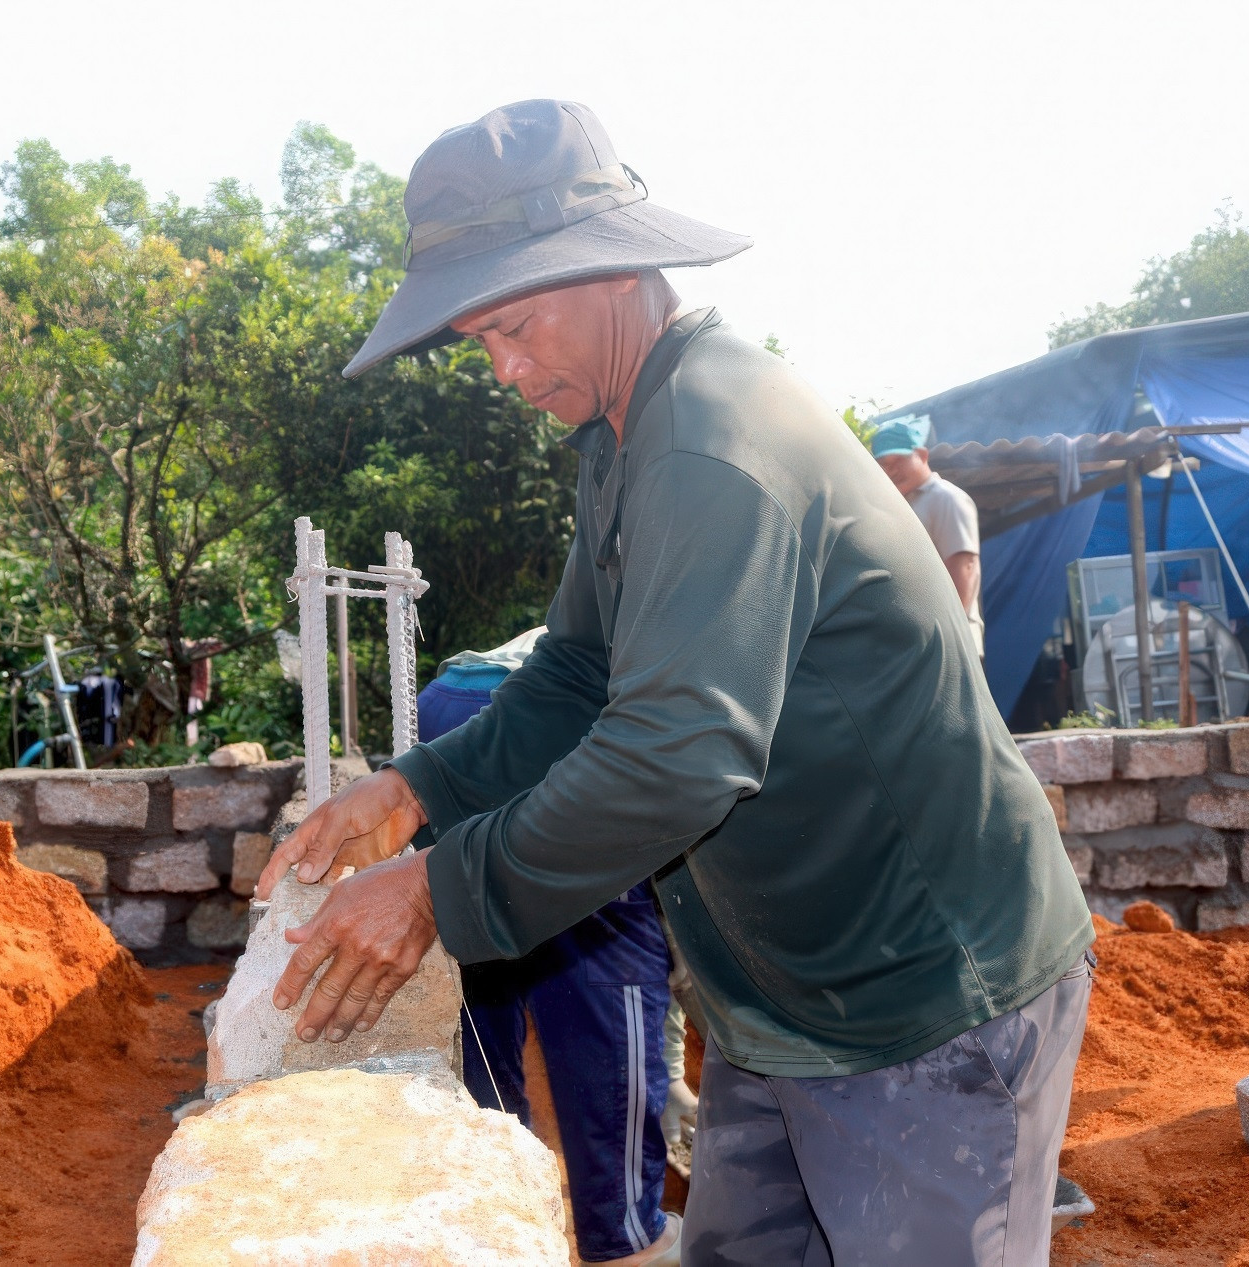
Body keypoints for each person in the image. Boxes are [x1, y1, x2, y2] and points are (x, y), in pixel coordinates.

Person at [257, 98, 1094, 1266]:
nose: (502, 368)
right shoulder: (622, 434)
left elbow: (676, 755)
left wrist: (435, 890)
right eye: (477, 342)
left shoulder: (707, 440)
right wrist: (413, 788)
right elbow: (577, 675)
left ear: (610, 272)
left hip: (923, 998)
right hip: (788, 999)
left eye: (514, 324)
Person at [420, 628, 681, 1267]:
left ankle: (499, 1211)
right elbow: (675, 939)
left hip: (446, 710)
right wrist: (665, 1068)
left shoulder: (625, 621)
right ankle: (625, 1239)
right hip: (548, 727)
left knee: (482, 952)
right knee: (606, 957)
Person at [870, 414, 986, 658]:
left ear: (922, 455)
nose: (890, 470)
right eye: (883, 464)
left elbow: (963, 566)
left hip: (948, 645)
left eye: (898, 459)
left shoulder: (946, 498)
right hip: (917, 647)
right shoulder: (895, 507)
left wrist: (944, 637)